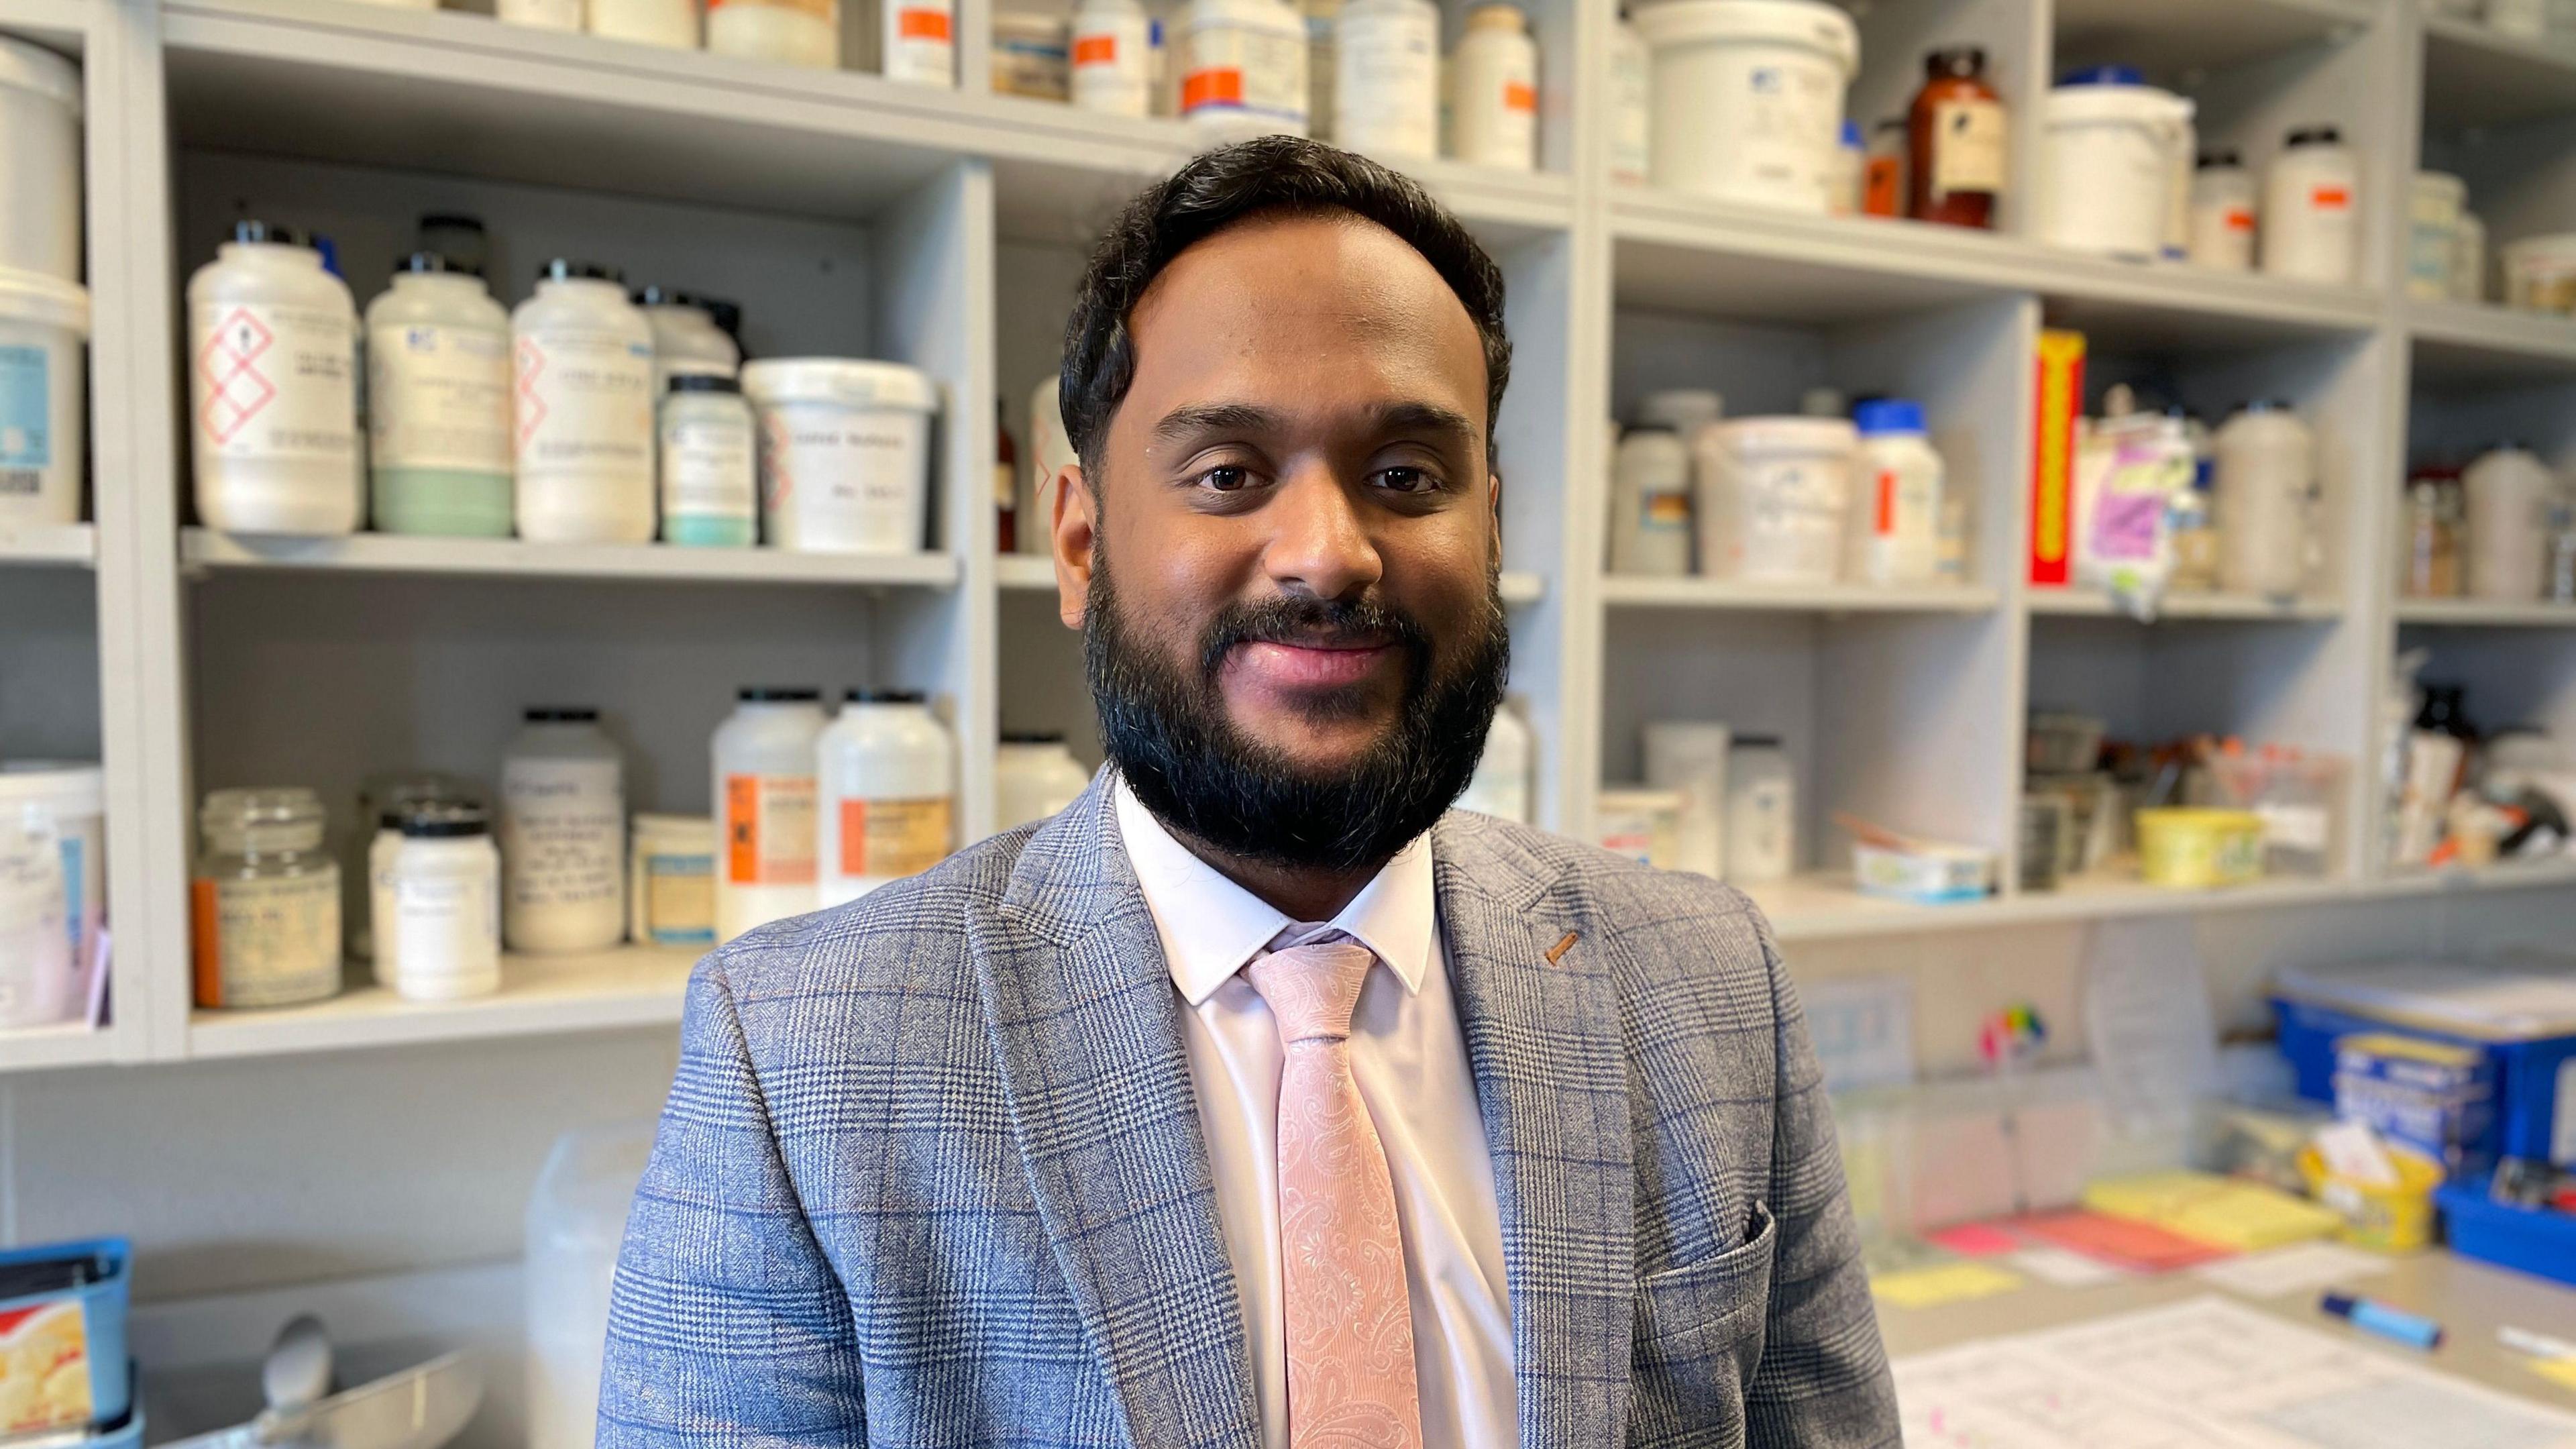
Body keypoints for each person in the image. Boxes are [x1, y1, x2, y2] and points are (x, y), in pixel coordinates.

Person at [600, 136, 1898, 1449]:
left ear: (1491, 529)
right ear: (1082, 541)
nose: (1328, 556)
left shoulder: (1713, 985)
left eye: (1406, 477)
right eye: (1227, 473)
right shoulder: (802, 1062)